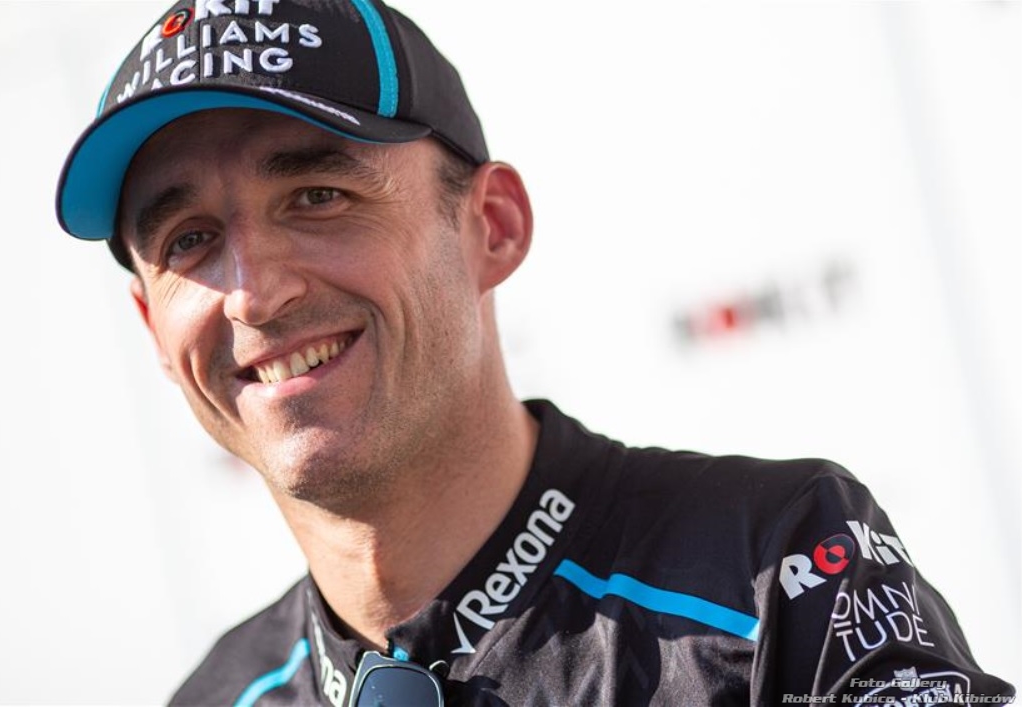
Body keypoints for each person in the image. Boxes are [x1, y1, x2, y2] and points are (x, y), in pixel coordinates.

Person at [56, 1, 1014, 704]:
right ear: (152, 327)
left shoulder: (773, 567)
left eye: (317, 197)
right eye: (187, 240)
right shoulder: (212, 694)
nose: (253, 292)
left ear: (493, 227)